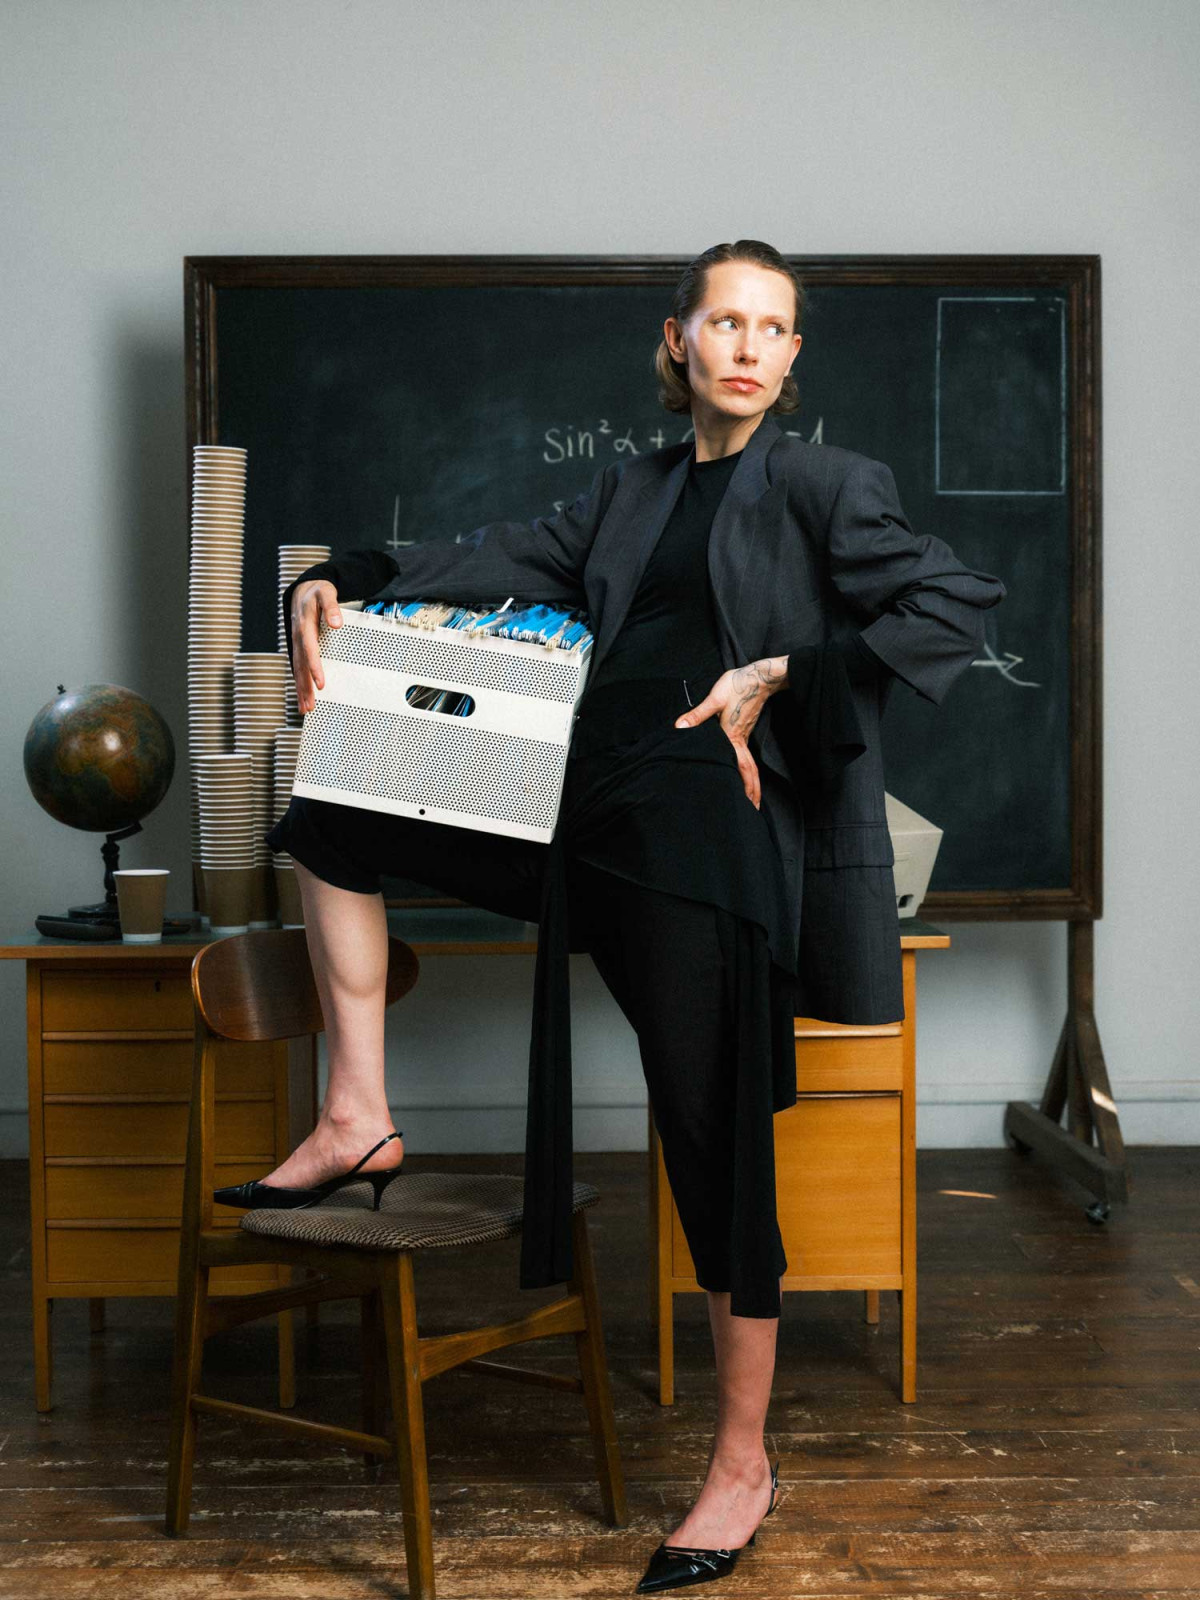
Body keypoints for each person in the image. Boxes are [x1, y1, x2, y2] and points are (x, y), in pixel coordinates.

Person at [221, 240, 1007, 1593]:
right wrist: (346, 567)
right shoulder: (630, 493)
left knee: (709, 1144)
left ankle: (742, 1461)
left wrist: (781, 671)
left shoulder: (823, 484)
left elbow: (955, 600)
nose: (749, 346)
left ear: (793, 358)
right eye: (725, 322)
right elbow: (487, 554)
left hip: (702, 830)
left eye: (774, 327)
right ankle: (360, 1110)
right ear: (680, 340)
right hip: (573, 807)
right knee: (332, 811)